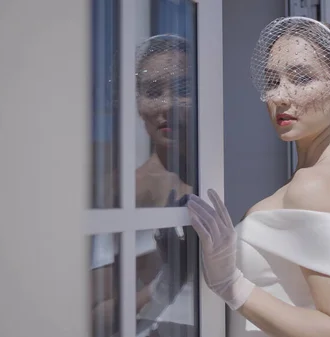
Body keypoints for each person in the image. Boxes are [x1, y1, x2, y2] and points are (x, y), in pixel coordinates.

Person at [186, 17, 330, 337]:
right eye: (272, 81)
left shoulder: (315, 186)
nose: (279, 96)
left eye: (301, 78)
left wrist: (231, 285)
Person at [90, 34, 197, 337]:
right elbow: (94, 316)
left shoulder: (223, 177)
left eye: (183, 89)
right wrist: (163, 285)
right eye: (153, 92)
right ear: (138, 104)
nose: (167, 104)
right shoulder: (123, 192)